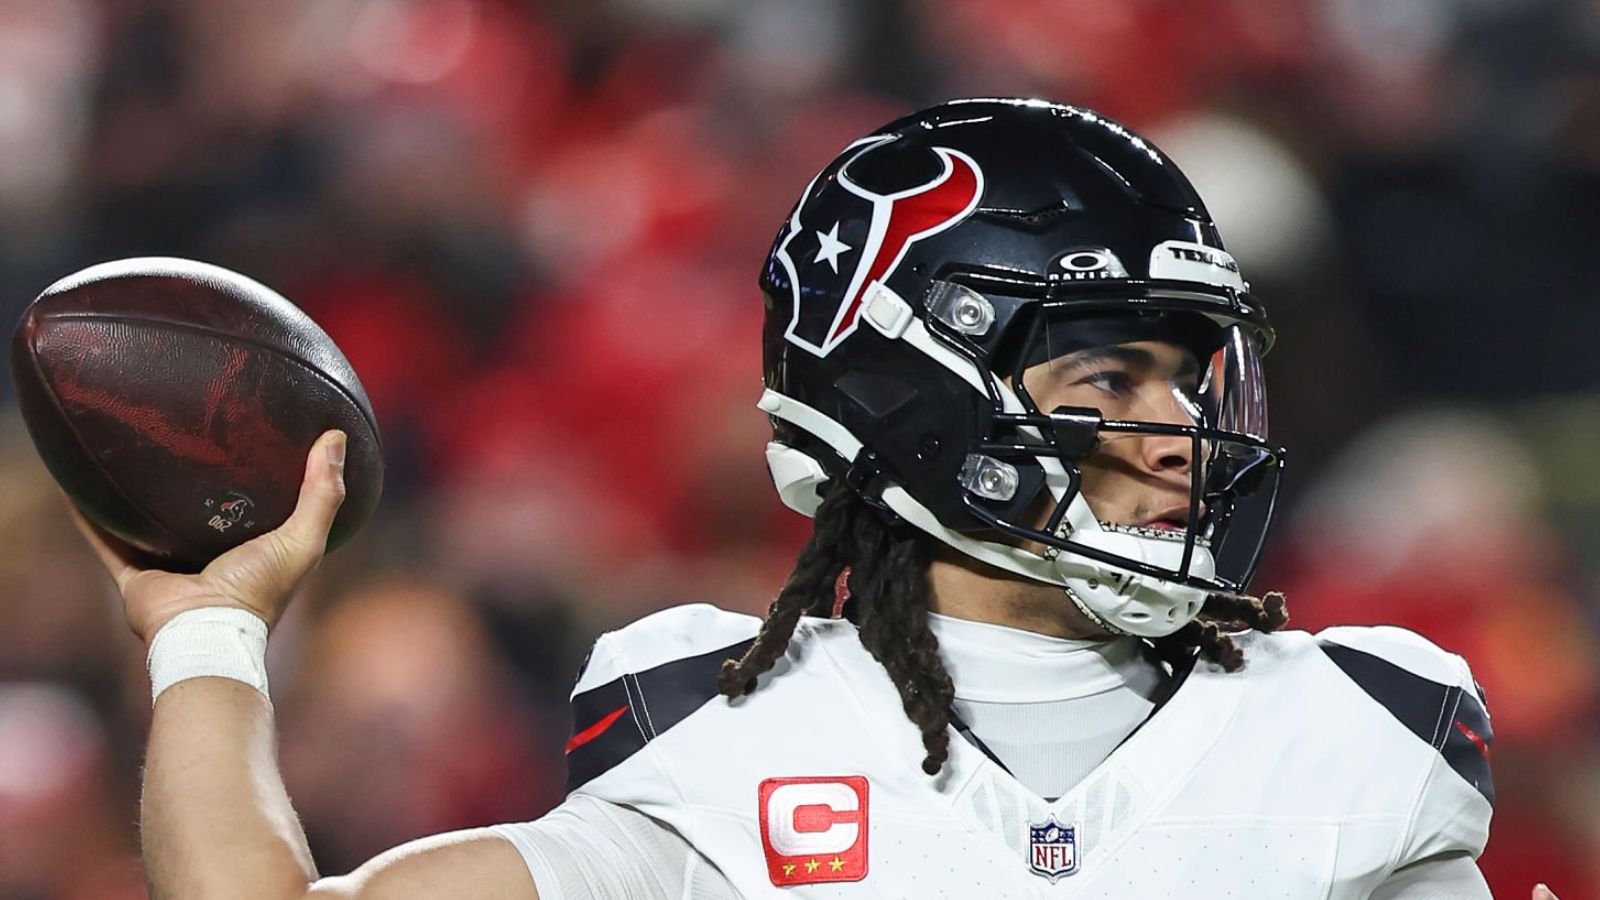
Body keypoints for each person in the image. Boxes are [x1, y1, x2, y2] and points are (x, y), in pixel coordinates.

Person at [74, 99, 1557, 899]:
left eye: (1190, 376)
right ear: (906, 395)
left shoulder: (1358, 734)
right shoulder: (719, 736)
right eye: (1105, 381)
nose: (1174, 432)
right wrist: (209, 632)